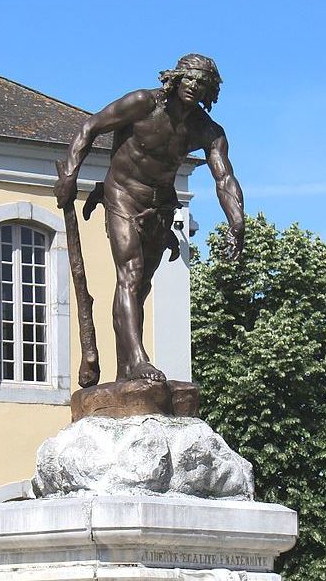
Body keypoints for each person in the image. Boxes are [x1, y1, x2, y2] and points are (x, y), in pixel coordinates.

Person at [55, 54, 244, 384]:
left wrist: (237, 221)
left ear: (209, 91)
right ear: (175, 78)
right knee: (131, 273)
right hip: (122, 197)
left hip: (160, 210)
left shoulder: (207, 131)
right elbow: (90, 127)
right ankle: (140, 360)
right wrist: (70, 175)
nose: (194, 86)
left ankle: (125, 371)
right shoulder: (142, 103)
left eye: (202, 83)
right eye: (189, 79)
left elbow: (224, 177)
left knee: (139, 288)